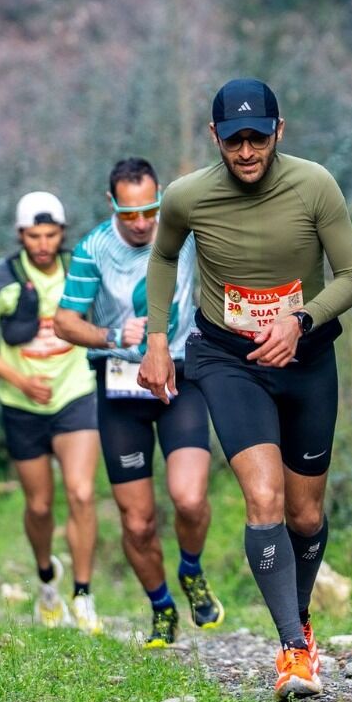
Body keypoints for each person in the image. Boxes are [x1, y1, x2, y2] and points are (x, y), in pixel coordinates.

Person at [139, 78, 352, 701]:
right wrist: (158, 338)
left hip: (306, 357)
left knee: (305, 512)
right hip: (227, 359)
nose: (245, 152)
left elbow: (351, 277)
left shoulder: (315, 185)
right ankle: (293, 649)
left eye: (256, 139)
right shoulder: (187, 197)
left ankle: (302, 621)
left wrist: (301, 321)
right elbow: (163, 257)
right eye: (233, 140)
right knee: (263, 499)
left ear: (278, 132)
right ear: (214, 138)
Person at [53, 159, 224, 647]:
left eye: (150, 210)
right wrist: (109, 335)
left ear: (161, 197)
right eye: (130, 215)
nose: (143, 222)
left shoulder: (185, 234)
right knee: (138, 520)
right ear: (112, 206)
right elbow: (65, 322)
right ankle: (162, 606)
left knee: (190, 498)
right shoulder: (92, 250)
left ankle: (191, 570)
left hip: (181, 378)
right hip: (122, 387)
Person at [0, 192, 101, 633]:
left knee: (81, 493)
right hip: (22, 403)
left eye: (50, 234)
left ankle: (83, 595)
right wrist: (18, 379)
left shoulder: (81, 270)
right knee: (40, 506)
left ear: (62, 234)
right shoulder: (0, 279)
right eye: (33, 235)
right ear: (21, 236)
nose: (42, 243)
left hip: (76, 392)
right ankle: (47, 580)